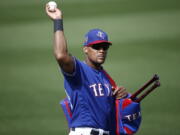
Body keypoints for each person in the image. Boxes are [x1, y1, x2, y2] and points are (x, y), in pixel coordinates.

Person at [45, 4, 128, 135]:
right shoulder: (78, 70)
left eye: (104, 47)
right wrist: (57, 21)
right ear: (85, 49)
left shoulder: (106, 78)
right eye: (96, 46)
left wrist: (119, 96)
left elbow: (106, 112)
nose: (101, 50)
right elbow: (61, 55)